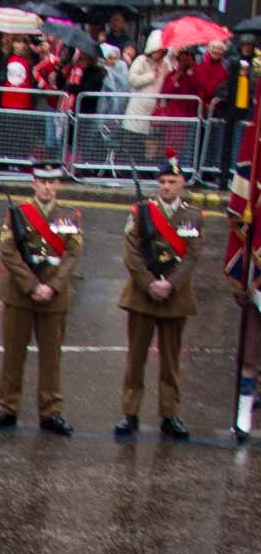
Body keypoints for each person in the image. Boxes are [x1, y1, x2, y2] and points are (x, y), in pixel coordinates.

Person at [0, 161, 82, 435]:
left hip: (54, 295)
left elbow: (72, 255)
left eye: (52, 182)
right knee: (13, 355)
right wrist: (31, 285)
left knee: (51, 358)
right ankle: (7, 408)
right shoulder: (18, 214)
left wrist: (52, 286)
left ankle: (51, 411)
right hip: (20, 294)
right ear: (34, 183)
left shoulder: (70, 216)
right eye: (43, 181)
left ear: (59, 185)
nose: (48, 187)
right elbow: (8, 252)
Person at [116, 152, 200, 439]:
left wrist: (170, 285)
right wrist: (149, 283)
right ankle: (130, 413)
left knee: (171, 361)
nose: (166, 186)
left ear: (182, 183)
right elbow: (130, 250)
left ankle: (170, 414)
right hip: (143, 294)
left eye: (172, 181)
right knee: (135, 359)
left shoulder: (193, 215)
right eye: (162, 181)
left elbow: (191, 257)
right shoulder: (141, 211)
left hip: (175, 297)